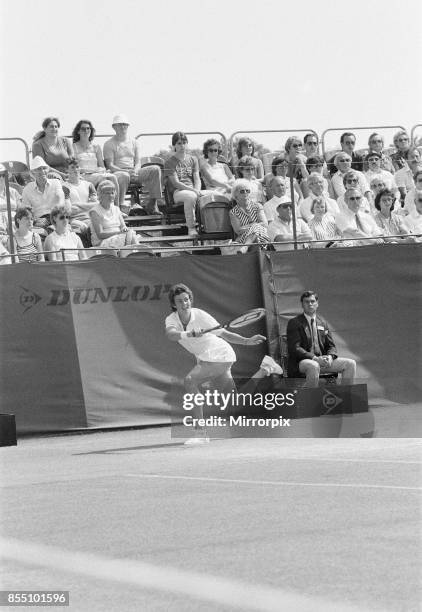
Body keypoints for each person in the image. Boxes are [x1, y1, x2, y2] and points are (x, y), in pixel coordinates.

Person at [165, 283, 277, 444]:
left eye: (187, 300)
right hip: (206, 358)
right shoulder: (171, 319)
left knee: (190, 381)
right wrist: (188, 333)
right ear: (173, 304)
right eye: (180, 301)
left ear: (191, 300)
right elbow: (171, 335)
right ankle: (266, 368)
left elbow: (224, 333)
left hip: (219, 354)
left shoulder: (201, 316)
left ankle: (200, 432)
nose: (184, 304)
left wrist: (246, 341)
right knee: (234, 403)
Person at [286, 290, 356, 387]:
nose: (310, 304)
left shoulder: (322, 322)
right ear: (302, 304)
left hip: (322, 361)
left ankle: (346, 396)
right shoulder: (294, 322)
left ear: (317, 304)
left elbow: (331, 346)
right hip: (302, 362)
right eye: (306, 302)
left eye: (312, 301)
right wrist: (314, 358)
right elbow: (295, 348)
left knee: (350, 363)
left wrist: (330, 357)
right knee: (313, 365)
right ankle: (312, 399)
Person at [103, 114, 162, 214]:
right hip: (118, 173)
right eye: (120, 124)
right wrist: (125, 171)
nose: (123, 127)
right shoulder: (109, 144)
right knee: (124, 175)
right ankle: (120, 208)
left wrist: (135, 170)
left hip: (134, 171)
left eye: (125, 124)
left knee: (155, 169)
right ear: (114, 127)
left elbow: (138, 161)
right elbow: (110, 165)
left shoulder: (135, 142)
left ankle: (152, 204)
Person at [71, 119, 120, 204]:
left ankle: (116, 207)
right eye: (83, 129)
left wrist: (101, 170)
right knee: (106, 179)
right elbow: (74, 167)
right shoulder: (73, 147)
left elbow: (102, 166)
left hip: (97, 175)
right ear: (78, 131)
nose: (86, 130)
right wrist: (94, 170)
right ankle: (108, 207)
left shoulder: (96, 147)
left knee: (111, 178)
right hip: (83, 176)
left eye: (88, 128)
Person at [89, 180, 139, 248]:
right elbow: (100, 235)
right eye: (107, 193)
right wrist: (118, 233)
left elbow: (123, 226)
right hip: (102, 243)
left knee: (130, 233)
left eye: (112, 193)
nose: (110, 196)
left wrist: (124, 229)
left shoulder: (116, 209)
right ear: (100, 195)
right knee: (129, 237)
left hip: (119, 238)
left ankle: (136, 254)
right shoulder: (95, 212)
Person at [21, 156, 65, 230]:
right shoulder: (27, 189)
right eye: (38, 169)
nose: (42, 171)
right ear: (33, 173)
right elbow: (26, 210)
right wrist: (34, 220)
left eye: (44, 168)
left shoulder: (56, 183)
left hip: (55, 216)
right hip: (38, 220)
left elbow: (61, 202)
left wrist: (52, 218)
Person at [229, 179, 269, 248]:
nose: (245, 193)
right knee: (256, 229)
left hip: (262, 236)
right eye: (242, 191)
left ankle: (246, 246)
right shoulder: (233, 212)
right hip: (244, 238)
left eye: (247, 191)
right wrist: (254, 224)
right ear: (235, 195)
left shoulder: (257, 206)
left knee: (257, 231)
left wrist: (250, 227)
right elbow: (238, 230)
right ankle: (247, 245)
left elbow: (264, 224)